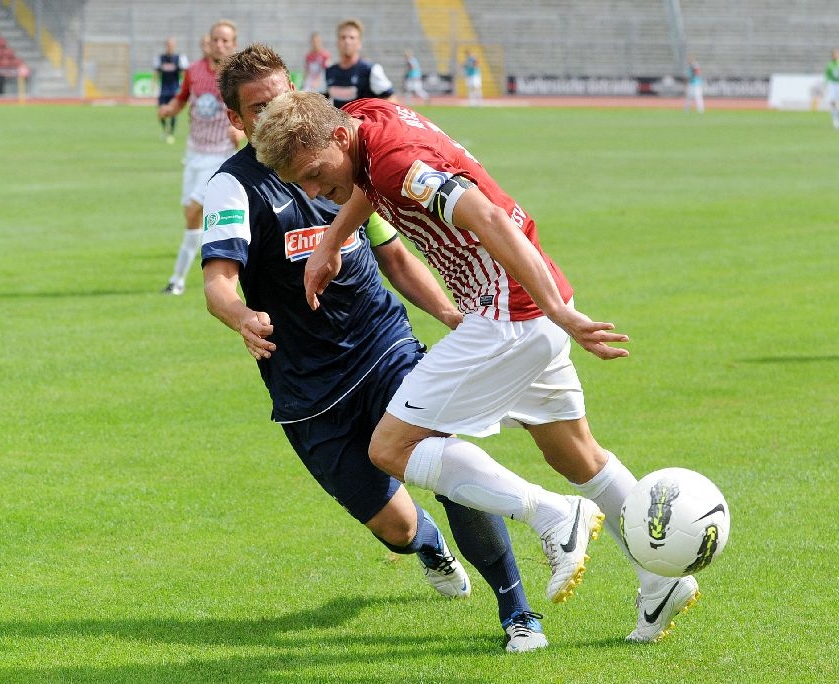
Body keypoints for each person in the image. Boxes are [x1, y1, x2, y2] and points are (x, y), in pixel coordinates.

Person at [251, 91, 703, 644]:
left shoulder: (400, 163)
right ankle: (660, 580)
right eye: (303, 185)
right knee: (575, 453)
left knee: (391, 449)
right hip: (526, 302)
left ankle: (555, 515)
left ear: (338, 137)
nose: (316, 191)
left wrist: (561, 313)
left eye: (317, 175)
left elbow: (486, 216)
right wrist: (333, 238)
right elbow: (366, 181)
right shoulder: (366, 118)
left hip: (505, 312)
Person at [202, 43, 548, 652]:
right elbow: (217, 282)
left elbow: (392, 254)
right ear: (237, 120)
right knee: (393, 526)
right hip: (309, 388)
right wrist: (241, 317)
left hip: (383, 345)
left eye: (281, 95)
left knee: (446, 462)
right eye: (258, 106)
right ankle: (429, 547)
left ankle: (517, 611)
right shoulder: (233, 188)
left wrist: (447, 312)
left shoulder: (347, 163)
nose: (275, 110)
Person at [157, 21, 245, 296]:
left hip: (221, 154)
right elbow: (183, 98)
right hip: (194, 152)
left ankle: (179, 279)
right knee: (190, 215)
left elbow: (251, 108)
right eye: (216, 39)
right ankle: (179, 280)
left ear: (233, 45)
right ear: (209, 41)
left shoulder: (237, 75)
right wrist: (170, 109)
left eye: (225, 41)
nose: (220, 45)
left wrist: (240, 128)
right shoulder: (193, 71)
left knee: (195, 210)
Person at [325, 19, 395, 109]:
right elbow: (317, 102)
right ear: (337, 42)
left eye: (352, 37)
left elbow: (391, 99)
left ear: (359, 44)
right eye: (343, 37)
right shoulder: (328, 72)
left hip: (364, 123)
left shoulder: (371, 70)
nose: (347, 41)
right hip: (340, 123)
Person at [154, 37, 190, 144]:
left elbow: (184, 73)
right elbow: (156, 73)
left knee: (173, 112)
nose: (170, 47)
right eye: (168, 45)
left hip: (175, 89)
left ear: (174, 46)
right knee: (161, 112)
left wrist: (184, 86)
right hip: (163, 90)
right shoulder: (160, 58)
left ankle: (171, 133)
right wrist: (153, 85)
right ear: (166, 46)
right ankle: (165, 129)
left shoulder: (179, 58)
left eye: (172, 45)